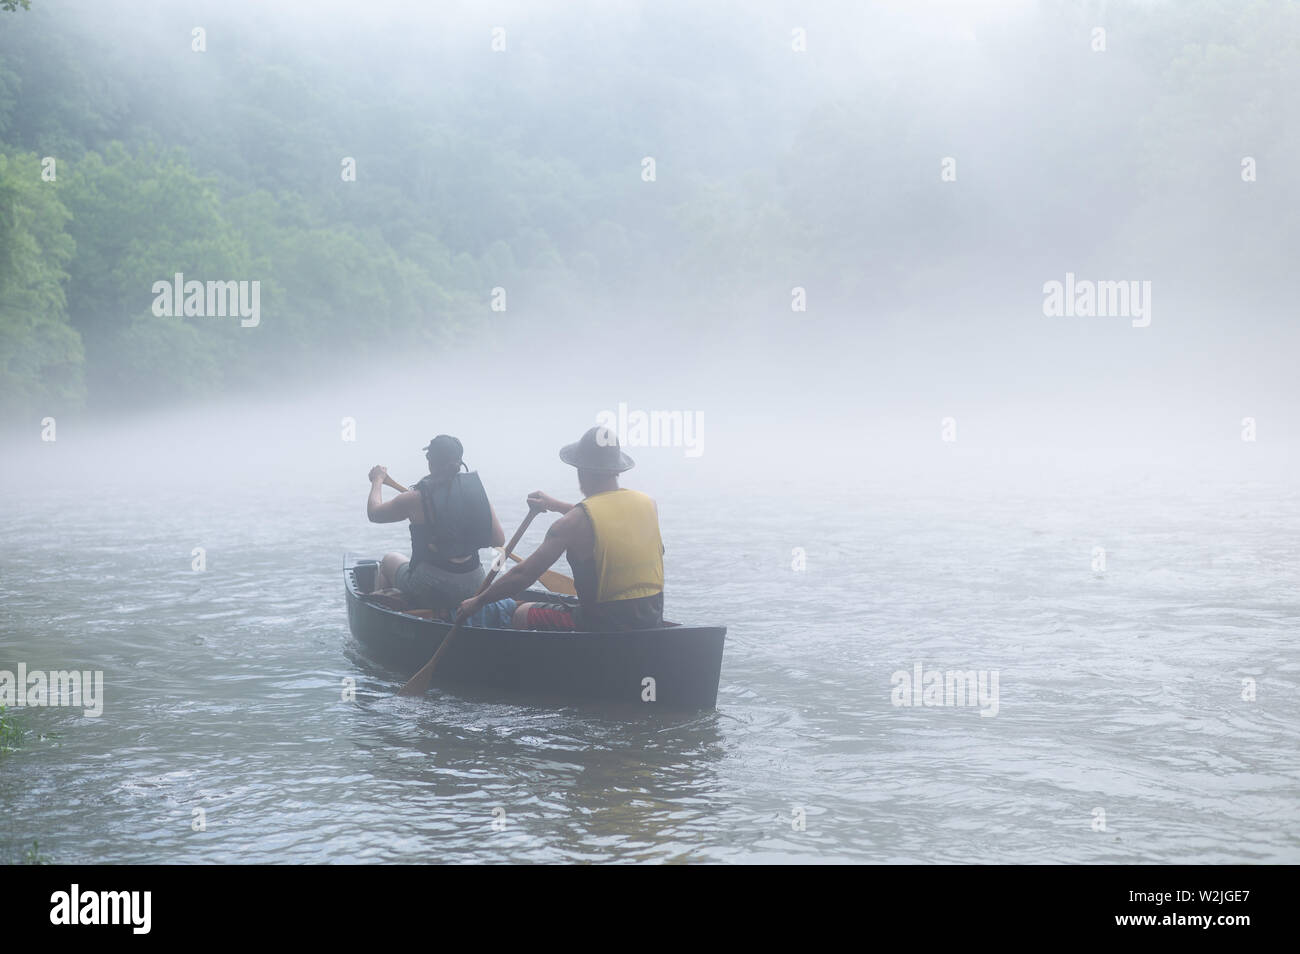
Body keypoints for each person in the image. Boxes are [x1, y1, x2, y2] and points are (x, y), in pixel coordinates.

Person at [456, 426, 664, 631]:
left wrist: (479, 601)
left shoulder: (570, 525)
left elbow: (524, 575)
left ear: (581, 470)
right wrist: (555, 505)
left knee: (521, 613)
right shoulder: (648, 504)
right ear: (617, 470)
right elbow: (603, 519)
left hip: (600, 625)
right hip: (650, 617)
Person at [366, 435, 505, 610]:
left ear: (430, 462)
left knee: (388, 560)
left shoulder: (415, 498)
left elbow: (374, 513)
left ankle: (389, 616)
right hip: (475, 585)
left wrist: (377, 480)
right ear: (459, 461)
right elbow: (499, 540)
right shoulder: (476, 494)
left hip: (429, 587)